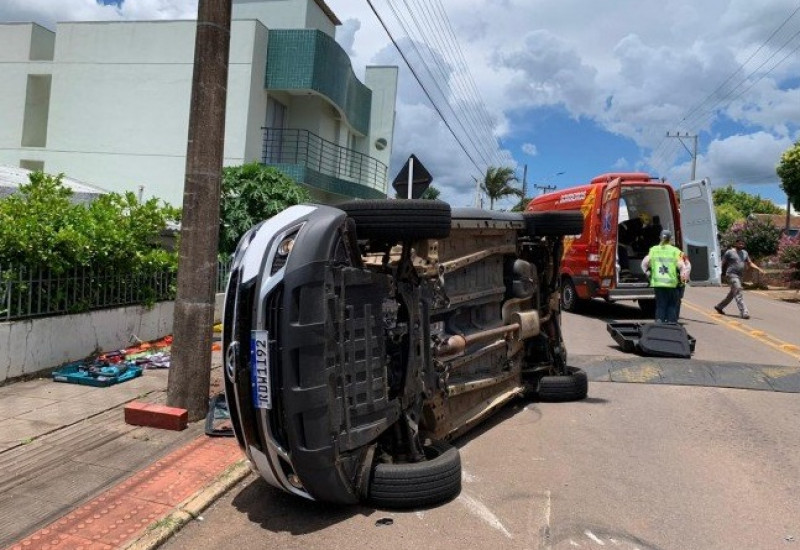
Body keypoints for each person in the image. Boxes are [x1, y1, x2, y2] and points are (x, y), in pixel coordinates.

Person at [641, 229, 687, 323]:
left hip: (658, 284)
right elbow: (682, 267)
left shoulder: (653, 250)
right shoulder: (675, 251)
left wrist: (648, 274)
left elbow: (644, 264)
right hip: (671, 284)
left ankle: (659, 325)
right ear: (670, 239)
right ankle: (671, 325)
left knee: (660, 305)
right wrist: (682, 281)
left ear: (659, 238)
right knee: (671, 306)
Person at [714, 238, 764, 319]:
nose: (741, 245)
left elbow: (750, 263)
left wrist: (758, 269)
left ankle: (719, 306)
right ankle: (744, 312)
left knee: (732, 294)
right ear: (736, 244)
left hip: (740, 276)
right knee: (738, 291)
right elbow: (722, 263)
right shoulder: (729, 252)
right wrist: (718, 273)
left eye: (742, 244)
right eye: (739, 244)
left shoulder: (745, 253)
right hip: (731, 274)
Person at [676, 251, 691, 319]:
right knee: (677, 300)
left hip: (676, 281)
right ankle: (674, 316)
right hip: (679, 281)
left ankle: (674, 316)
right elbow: (688, 267)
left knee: (676, 299)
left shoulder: (681, 256)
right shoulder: (681, 255)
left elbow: (687, 267)